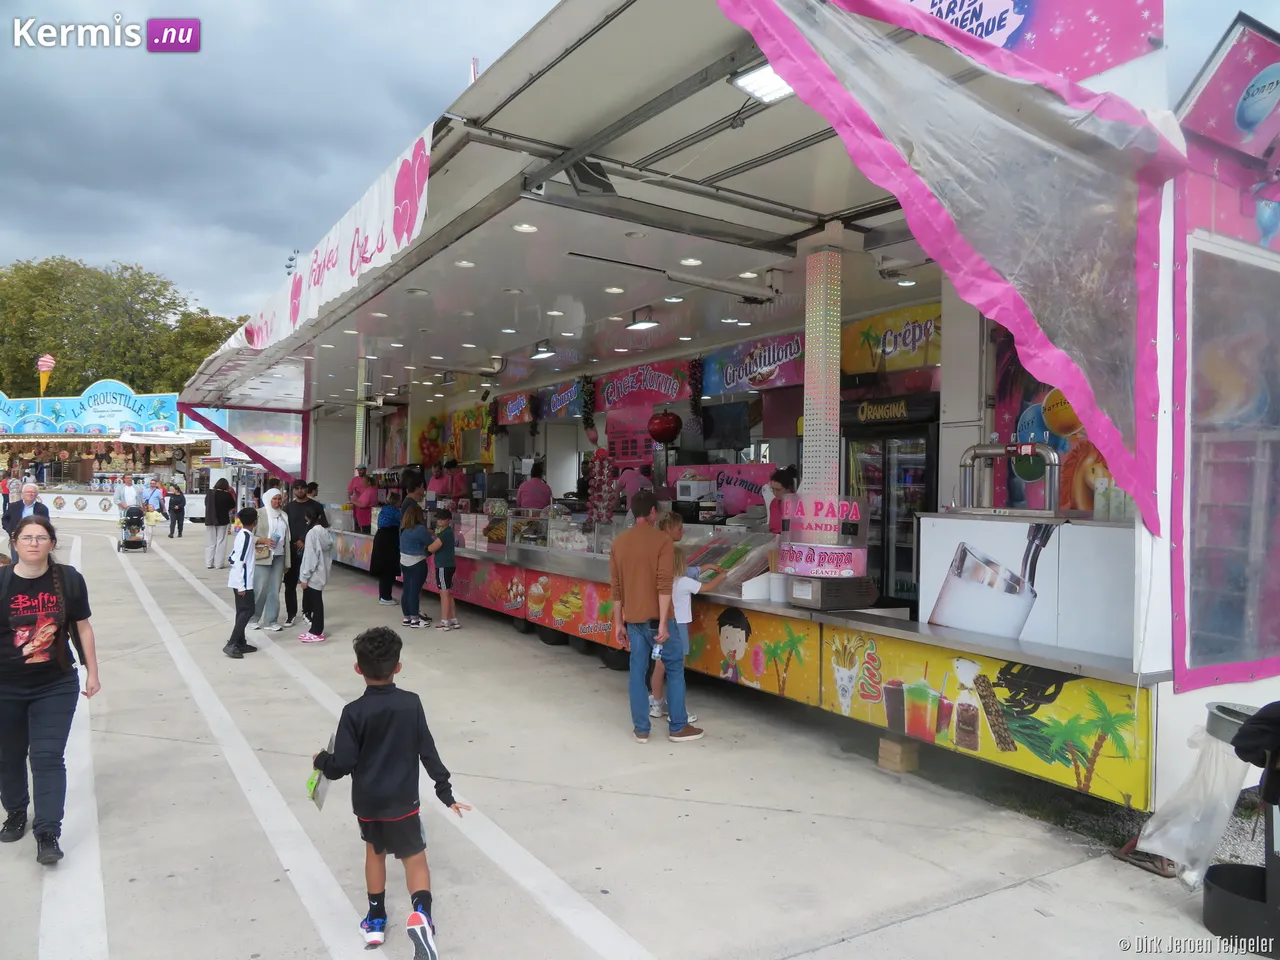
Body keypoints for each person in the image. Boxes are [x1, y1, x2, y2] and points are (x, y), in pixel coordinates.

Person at [311, 626, 470, 951]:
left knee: (374, 854)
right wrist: (445, 792)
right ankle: (422, 916)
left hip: (368, 804)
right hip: (403, 802)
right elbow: (428, 750)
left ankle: (375, 921)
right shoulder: (411, 704)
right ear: (398, 667)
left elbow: (342, 764)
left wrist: (322, 760)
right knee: (415, 858)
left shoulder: (353, 712)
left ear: (358, 669)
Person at [0, 515, 100, 865]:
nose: (33, 543)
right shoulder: (2, 582)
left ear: (52, 544)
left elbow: (82, 627)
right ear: (14, 543)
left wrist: (92, 672)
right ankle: (16, 812)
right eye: (26, 537)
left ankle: (47, 832)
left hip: (55, 684)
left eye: (41, 538)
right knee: (8, 756)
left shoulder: (69, 579)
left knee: (46, 757)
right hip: (5, 686)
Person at [609, 489, 702, 744]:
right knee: (674, 669)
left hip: (632, 619)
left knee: (637, 672)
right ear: (652, 512)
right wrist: (663, 623)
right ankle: (678, 727)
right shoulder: (662, 541)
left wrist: (618, 623)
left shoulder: (619, 543)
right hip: (656, 619)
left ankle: (641, 729)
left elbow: (616, 588)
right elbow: (663, 584)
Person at [283, 480, 327, 628]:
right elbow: (285, 528)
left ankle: (307, 612)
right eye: (297, 488)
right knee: (289, 584)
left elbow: (322, 525)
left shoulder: (315, 506)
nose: (300, 491)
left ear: (306, 489)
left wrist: (304, 539)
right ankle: (291, 614)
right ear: (293, 490)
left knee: (308, 583)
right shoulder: (288, 508)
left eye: (302, 488)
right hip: (291, 549)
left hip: (310, 549)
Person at [249, 488, 290, 633]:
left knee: (274, 589)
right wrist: (263, 540)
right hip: (262, 556)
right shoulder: (258, 514)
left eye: (279, 499)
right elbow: (248, 535)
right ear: (268, 499)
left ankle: (271, 620)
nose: (277, 502)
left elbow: (287, 539)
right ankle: (253, 618)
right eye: (274, 499)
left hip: (279, 556)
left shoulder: (283, 516)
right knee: (260, 588)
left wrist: (287, 562)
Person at [224, 507, 259, 660]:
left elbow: (232, 557)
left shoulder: (242, 534)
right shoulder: (247, 537)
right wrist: (241, 585)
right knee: (248, 611)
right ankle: (232, 643)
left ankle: (240, 642)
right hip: (243, 582)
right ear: (255, 522)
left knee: (242, 612)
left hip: (239, 580)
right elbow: (240, 560)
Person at [298, 512, 334, 644]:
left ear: (308, 518)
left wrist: (304, 577)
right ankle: (315, 630)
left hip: (313, 574)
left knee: (316, 603)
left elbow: (310, 557)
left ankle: (317, 631)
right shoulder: (325, 532)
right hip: (322, 572)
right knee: (317, 602)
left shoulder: (312, 533)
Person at [398, 502, 432, 629]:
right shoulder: (420, 529)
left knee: (407, 589)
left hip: (404, 562)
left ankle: (407, 617)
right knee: (415, 591)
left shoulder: (404, 530)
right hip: (417, 563)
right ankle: (415, 620)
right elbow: (431, 544)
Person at [428, 509, 459, 631]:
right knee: (448, 593)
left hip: (443, 565)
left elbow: (432, 548)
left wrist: (426, 546)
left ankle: (444, 621)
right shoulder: (447, 531)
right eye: (438, 518)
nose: (439, 521)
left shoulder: (445, 533)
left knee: (443, 593)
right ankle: (453, 619)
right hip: (449, 564)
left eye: (442, 519)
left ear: (448, 520)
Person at [2, 485, 50, 563]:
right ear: (23, 493)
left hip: (34, 539)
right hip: (16, 537)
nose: (30, 494)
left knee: (33, 560)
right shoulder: (14, 506)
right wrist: (10, 530)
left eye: (33, 492)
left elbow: (46, 524)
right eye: (28, 492)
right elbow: (5, 519)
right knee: (16, 561)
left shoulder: (42, 508)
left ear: (36, 494)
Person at [370, 492, 402, 606]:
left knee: (386, 569)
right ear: (396, 501)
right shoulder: (395, 512)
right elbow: (405, 521)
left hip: (382, 539)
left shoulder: (384, 509)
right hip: (388, 541)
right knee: (388, 569)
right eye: (400, 501)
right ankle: (385, 597)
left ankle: (385, 595)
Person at [203, 478, 236, 569]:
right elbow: (232, 505)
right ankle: (219, 564)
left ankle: (209, 563)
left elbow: (206, 504)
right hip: (223, 521)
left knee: (210, 542)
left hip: (210, 520)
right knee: (221, 542)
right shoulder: (227, 495)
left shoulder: (209, 494)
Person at [767, 466, 799, 536]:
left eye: (778, 490)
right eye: (773, 489)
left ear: (789, 488)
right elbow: (772, 528)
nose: (775, 493)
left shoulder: (798, 505)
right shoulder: (773, 503)